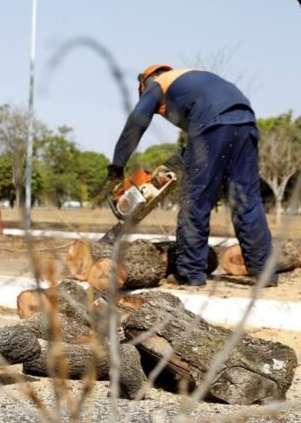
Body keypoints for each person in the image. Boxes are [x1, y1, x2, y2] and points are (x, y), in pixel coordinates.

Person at [106, 64, 275, 287]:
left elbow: (137, 121)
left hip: (213, 124)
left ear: (145, 82)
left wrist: (117, 166)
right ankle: (265, 272)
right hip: (245, 120)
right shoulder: (191, 78)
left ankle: (190, 272)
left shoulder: (158, 83)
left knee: (195, 198)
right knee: (247, 200)